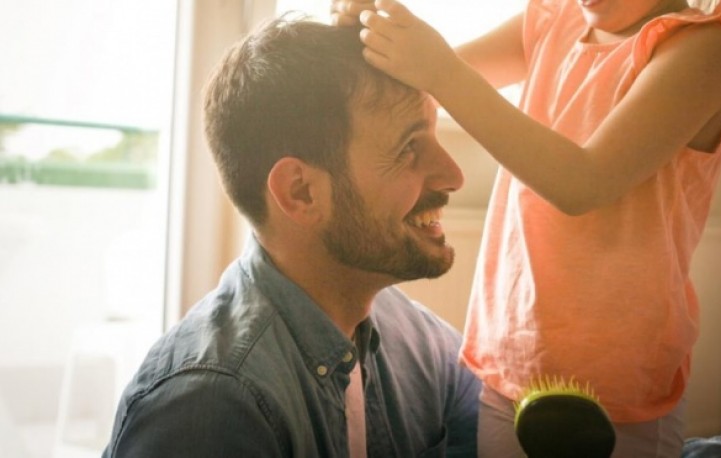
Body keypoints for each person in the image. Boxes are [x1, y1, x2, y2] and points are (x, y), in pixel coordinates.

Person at [331, 0, 721, 456]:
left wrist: (439, 70)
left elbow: (583, 183)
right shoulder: (553, 18)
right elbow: (421, 80)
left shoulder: (700, 50)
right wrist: (373, 28)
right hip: (513, 357)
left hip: (618, 389)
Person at [102, 17, 481, 458]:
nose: (454, 176)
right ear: (301, 192)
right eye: (408, 149)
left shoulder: (411, 336)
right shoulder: (208, 409)